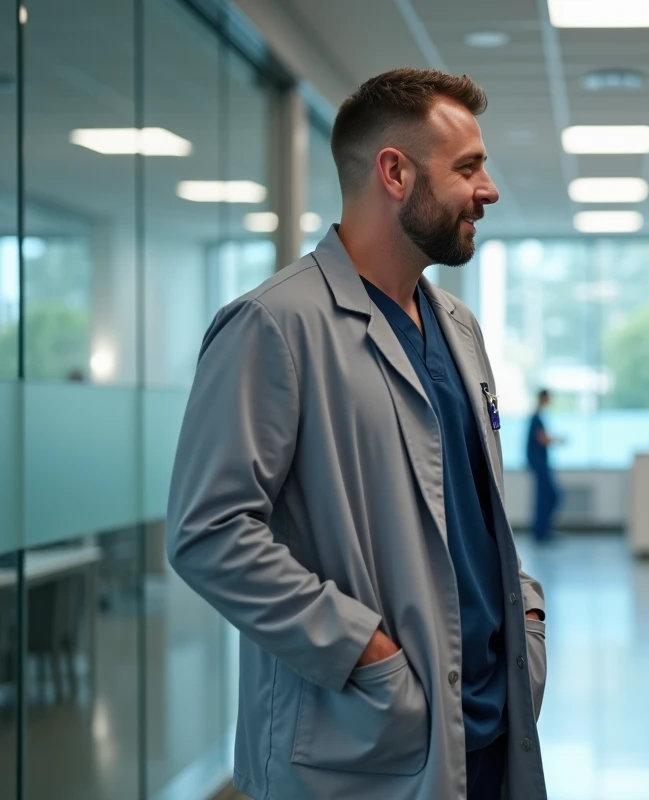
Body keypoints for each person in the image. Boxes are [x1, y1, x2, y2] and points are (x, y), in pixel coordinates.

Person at [166, 68, 548, 800]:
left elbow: (472, 511)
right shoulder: (273, 325)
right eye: (468, 167)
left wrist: (524, 612)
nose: (489, 189)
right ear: (395, 173)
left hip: (489, 724)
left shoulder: (458, 327)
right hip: (367, 739)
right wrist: (361, 651)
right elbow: (207, 533)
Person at [526, 389, 562, 544]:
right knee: (550, 495)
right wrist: (559, 440)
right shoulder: (536, 418)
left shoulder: (538, 417)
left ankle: (542, 531)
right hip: (538, 463)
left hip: (540, 462)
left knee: (545, 496)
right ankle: (541, 532)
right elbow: (542, 439)